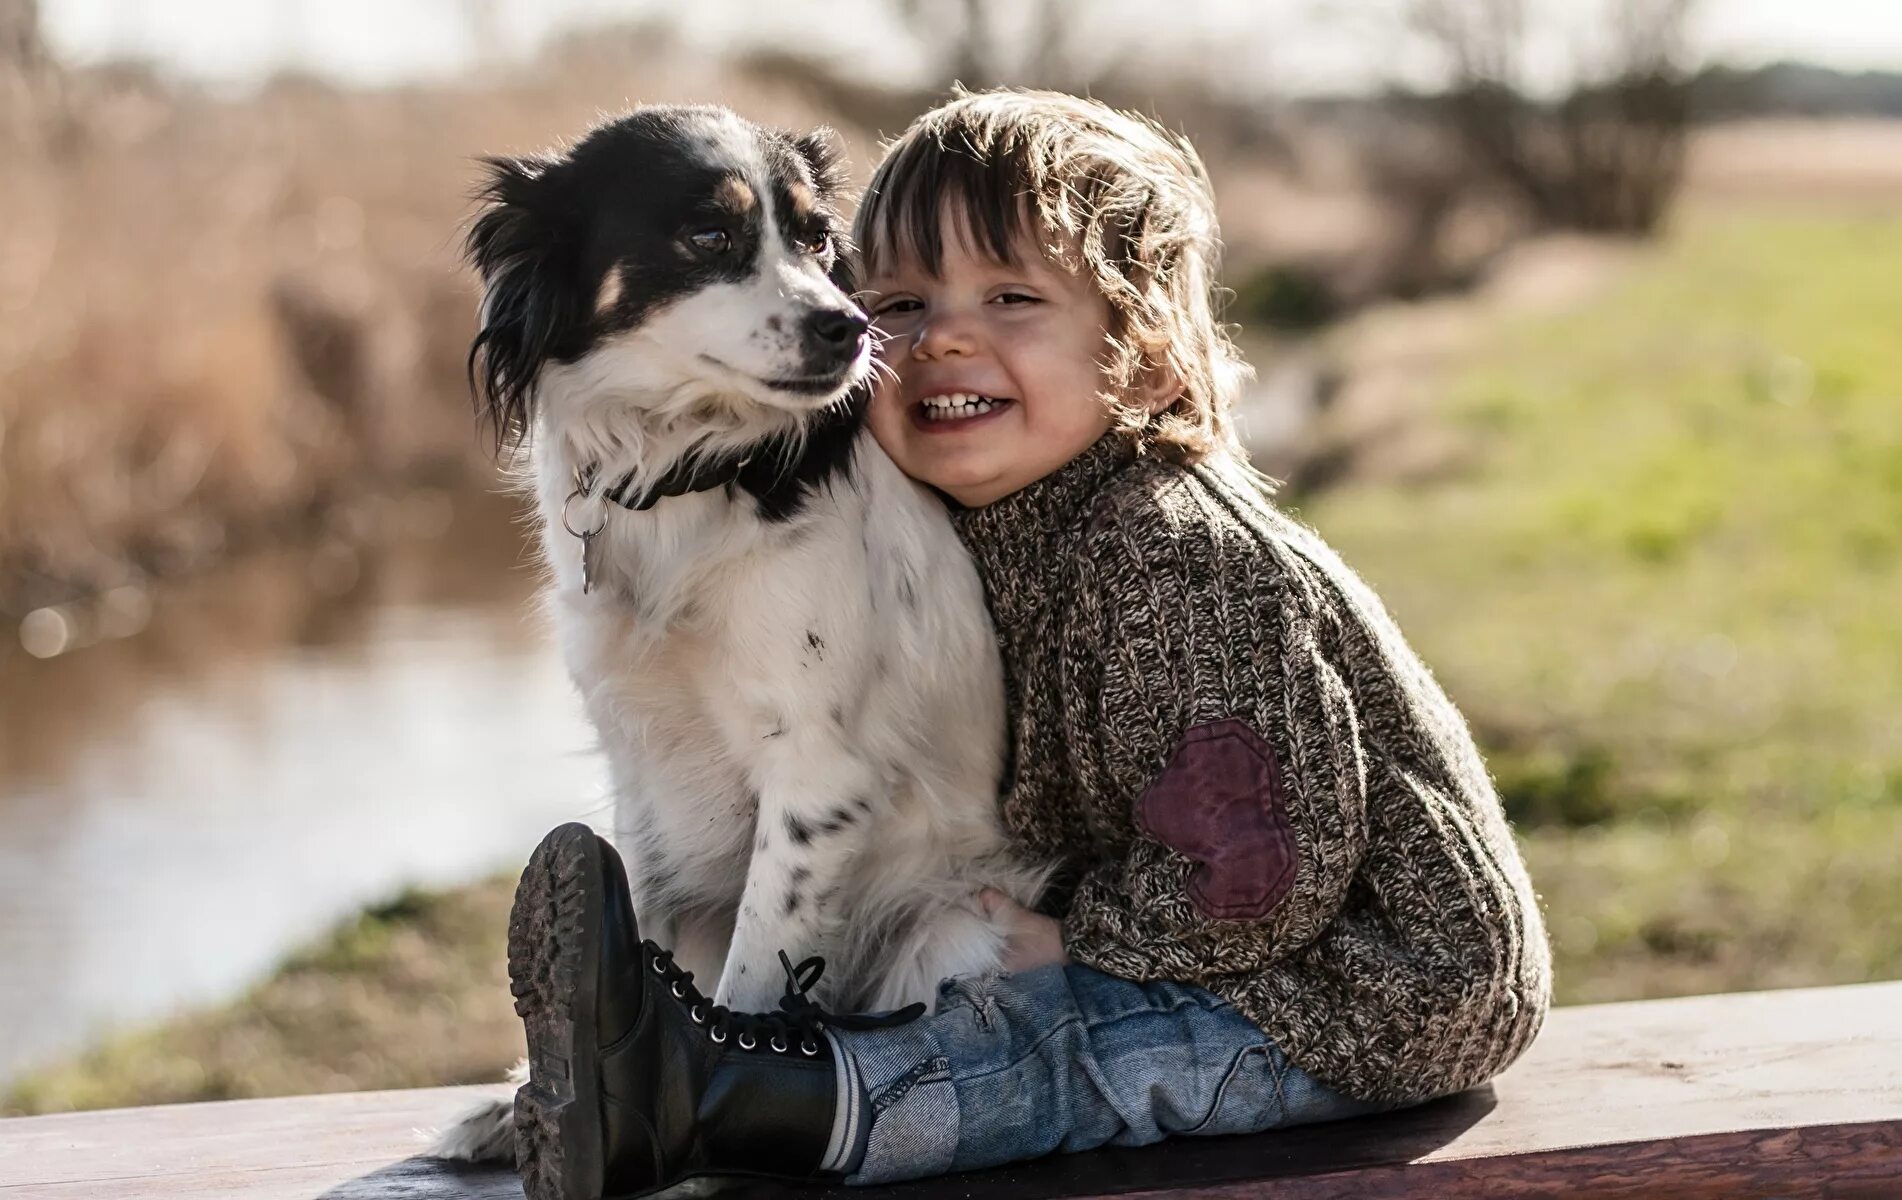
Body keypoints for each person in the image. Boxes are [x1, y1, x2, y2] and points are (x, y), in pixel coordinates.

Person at [506, 89, 1552, 1200]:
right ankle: (655, 1067)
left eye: (1011, 297)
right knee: (1038, 1023)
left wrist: (1078, 943)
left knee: (1051, 1057)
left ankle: (754, 1104)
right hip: (1225, 953)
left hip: (1369, 996)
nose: (938, 337)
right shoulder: (996, 513)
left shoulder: (1171, 564)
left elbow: (1262, 879)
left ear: (1143, 360)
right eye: (900, 299)